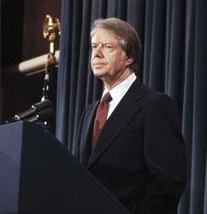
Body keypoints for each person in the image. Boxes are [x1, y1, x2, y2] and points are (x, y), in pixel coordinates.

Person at [75, 17, 186, 214]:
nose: (97, 54)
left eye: (107, 47)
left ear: (129, 57)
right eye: (94, 46)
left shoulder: (155, 105)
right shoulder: (89, 112)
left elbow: (169, 181)